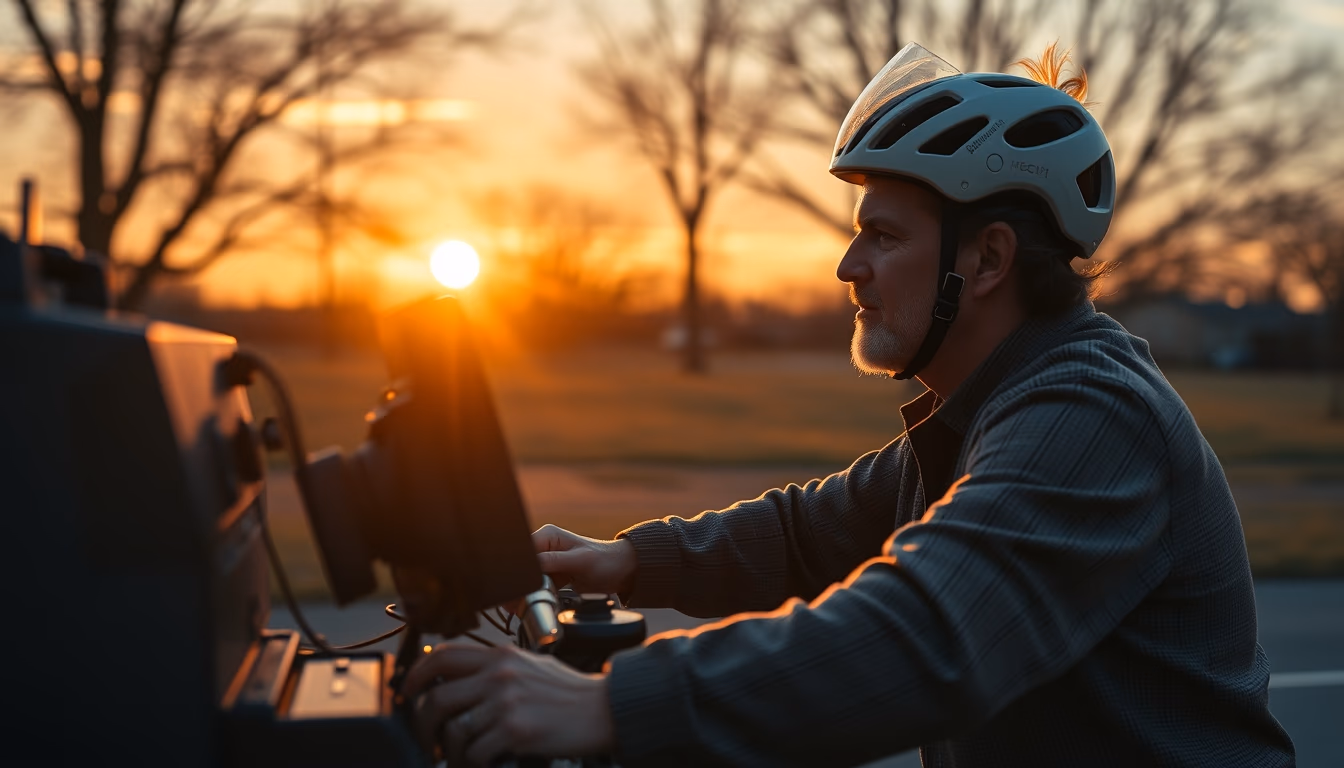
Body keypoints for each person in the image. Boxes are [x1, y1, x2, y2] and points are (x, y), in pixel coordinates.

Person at [403, 43, 1296, 767]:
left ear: (984, 262)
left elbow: (928, 635)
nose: (847, 267)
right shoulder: (990, 411)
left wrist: (606, 708)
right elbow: (808, 533)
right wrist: (628, 559)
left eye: (883, 235)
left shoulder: (1091, 417)